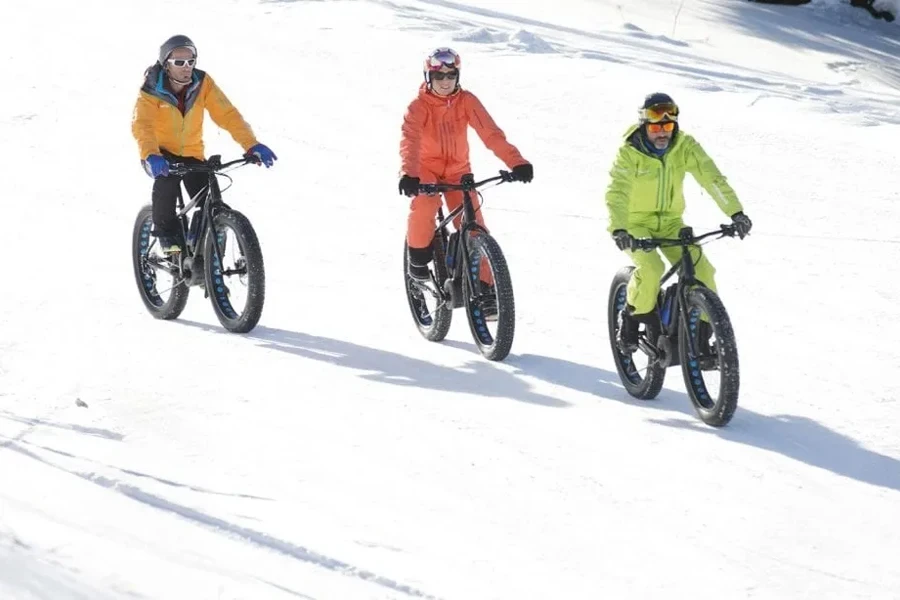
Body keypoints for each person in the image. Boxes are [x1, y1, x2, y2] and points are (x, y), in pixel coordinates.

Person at [604, 92, 752, 353]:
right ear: (644, 126)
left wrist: (736, 213)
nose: (663, 133)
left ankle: (703, 338)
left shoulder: (684, 147)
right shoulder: (629, 153)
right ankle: (631, 318)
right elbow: (618, 192)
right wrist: (619, 228)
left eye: (668, 126)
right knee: (651, 268)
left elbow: (712, 178)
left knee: (702, 271)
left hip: (672, 222)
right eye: (656, 127)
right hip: (634, 224)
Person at [398, 47, 533, 314]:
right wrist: (409, 174)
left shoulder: (467, 101)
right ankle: (417, 262)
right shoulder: (418, 106)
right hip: (424, 170)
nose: (445, 81)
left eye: (451, 75)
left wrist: (516, 162)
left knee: (474, 227)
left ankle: (486, 288)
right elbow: (410, 141)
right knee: (425, 204)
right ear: (429, 77)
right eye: (439, 76)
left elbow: (491, 134)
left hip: (459, 170)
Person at [131, 35, 277, 254]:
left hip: (192, 154)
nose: (186, 67)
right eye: (179, 62)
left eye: (191, 61)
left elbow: (228, 115)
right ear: (166, 65)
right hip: (160, 156)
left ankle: (208, 254)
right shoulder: (151, 90)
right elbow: (142, 125)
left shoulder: (202, 84)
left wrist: (251, 144)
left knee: (208, 196)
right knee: (167, 183)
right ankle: (168, 236)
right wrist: (151, 154)